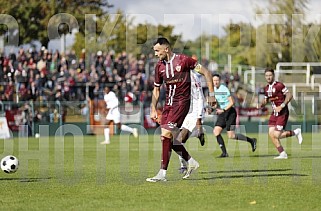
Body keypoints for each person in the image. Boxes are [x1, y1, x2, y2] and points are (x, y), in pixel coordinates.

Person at [146, 37, 215, 182]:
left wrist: (212, 95)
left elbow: (207, 73)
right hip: (168, 106)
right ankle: (190, 162)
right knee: (167, 139)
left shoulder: (184, 61)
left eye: (157, 51)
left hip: (181, 104)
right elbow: (156, 90)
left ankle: (162, 174)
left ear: (166, 48)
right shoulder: (159, 67)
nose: (156, 54)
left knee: (166, 134)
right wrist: (153, 108)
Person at [260, 68, 303, 159]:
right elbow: (266, 99)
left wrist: (282, 106)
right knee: (271, 134)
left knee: (276, 135)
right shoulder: (266, 88)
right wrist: (261, 103)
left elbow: (289, 95)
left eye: (270, 75)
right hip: (274, 113)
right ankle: (282, 153)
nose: (268, 77)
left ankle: (296, 132)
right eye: (267, 75)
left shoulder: (279, 85)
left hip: (282, 113)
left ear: (273, 75)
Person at [212, 74, 257, 158]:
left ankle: (251, 140)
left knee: (231, 136)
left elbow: (232, 102)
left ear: (220, 80)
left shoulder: (224, 89)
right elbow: (218, 102)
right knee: (216, 131)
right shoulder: (214, 89)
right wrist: (213, 108)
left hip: (230, 113)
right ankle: (224, 153)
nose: (215, 82)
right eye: (214, 80)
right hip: (222, 113)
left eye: (217, 80)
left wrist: (223, 110)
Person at [177, 70, 206, 174]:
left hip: (194, 113)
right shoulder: (176, 76)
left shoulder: (193, 78)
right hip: (184, 112)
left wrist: (199, 117)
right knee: (178, 141)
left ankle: (184, 166)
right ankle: (198, 133)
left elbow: (200, 98)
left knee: (178, 141)